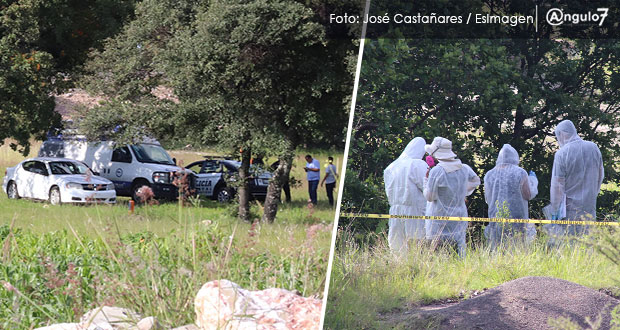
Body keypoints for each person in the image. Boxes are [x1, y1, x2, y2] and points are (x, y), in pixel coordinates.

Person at [545, 120, 604, 238]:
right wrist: (592, 194)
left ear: (561, 134)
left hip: (569, 209)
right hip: (589, 206)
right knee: (588, 241)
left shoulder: (562, 154)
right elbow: (600, 175)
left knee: (570, 242)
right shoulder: (593, 148)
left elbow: (557, 185)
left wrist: (555, 209)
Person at [423, 137, 480, 257]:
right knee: (460, 248)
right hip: (459, 215)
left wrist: (426, 180)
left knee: (437, 252)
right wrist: (462, 191)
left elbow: (429, 196)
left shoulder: (437, 171)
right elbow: (476, 181)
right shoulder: (464, 168)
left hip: (438, 218)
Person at [483, 144, 538, 249]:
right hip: (518, 217)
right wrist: (533, 181)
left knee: (497, 247)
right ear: (515, 157)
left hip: (496, 216)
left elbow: (488, 199)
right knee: (518, 246)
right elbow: (528, 194)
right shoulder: (520, 173)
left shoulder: (489, 174)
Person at [384, 137, 428, 253]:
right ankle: (414, 269)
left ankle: (400, 269)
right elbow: (427, 188)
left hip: (395, 210)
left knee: (397, 245)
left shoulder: (391, 167)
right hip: (415, 210)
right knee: (416, 243)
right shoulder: (416, 164)